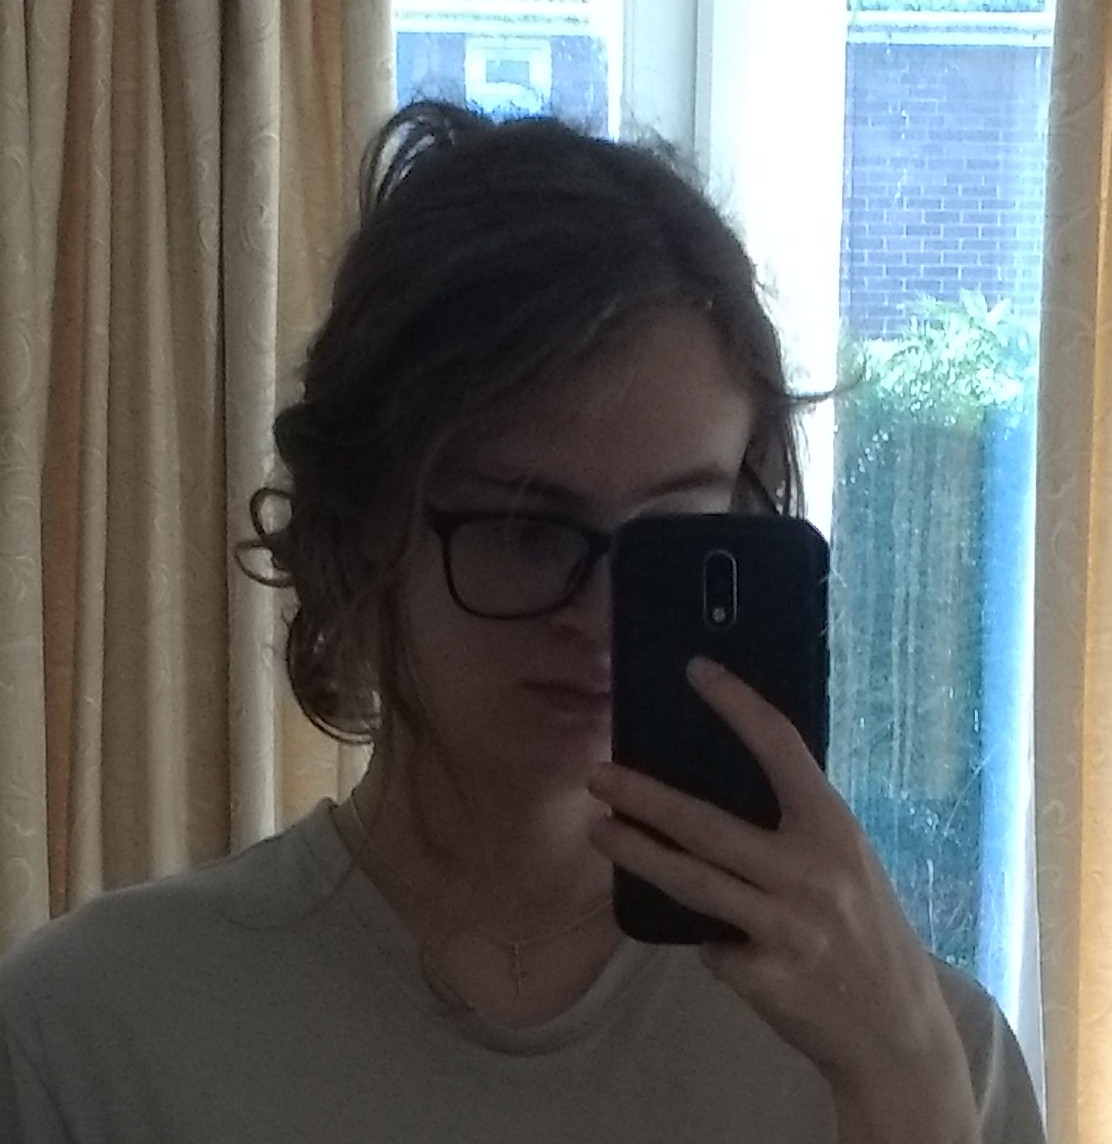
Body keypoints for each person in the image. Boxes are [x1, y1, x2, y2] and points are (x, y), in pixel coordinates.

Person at [0, 100, 1045, 1143]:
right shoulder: (90, 1034)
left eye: (670, 536)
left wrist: (905, 1089)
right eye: (525, 529)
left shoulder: (926, 1052)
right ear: (362, 529)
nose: (599, 615)